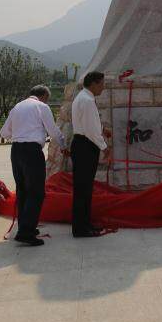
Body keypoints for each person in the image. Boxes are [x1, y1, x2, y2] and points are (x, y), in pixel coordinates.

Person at [0, 85, 66, 246]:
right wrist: (64, 146)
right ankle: (26, 231)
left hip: (16, 150)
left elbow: (4, 133)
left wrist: (20, 132)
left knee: (22, 190)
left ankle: (25, 225)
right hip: (32, 151)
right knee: (36, 191)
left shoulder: (17, 107)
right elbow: (53, 130)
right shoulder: (42, 107)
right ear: (43, 96)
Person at [70, 71, 108, 237]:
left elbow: (89, 125)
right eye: (101, 83)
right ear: (93, 83)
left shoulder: (83, 98)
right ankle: (81, 228)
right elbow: (91, 130)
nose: (103, 87)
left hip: (82, 144)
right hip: (85, 146)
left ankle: (85, 223)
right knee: (83, 189)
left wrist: (102, 130)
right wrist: (105, 148)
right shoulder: (87, 100)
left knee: (84, 188)